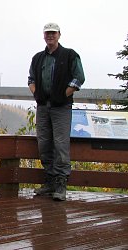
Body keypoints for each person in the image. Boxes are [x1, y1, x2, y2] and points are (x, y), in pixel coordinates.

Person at [28, 22, 85, 201]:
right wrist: (36, 93)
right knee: (43, 143)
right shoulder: (37, 58)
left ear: (59, 35)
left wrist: (63, 95)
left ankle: (61, 183)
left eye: (53, 33)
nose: (50, 36)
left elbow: (79, 78)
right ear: (43, 36)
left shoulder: (70, 55)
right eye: (47, 33)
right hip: (43, 107)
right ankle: (50, 180)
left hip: (62, 108)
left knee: (61, 144)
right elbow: (30, 78)